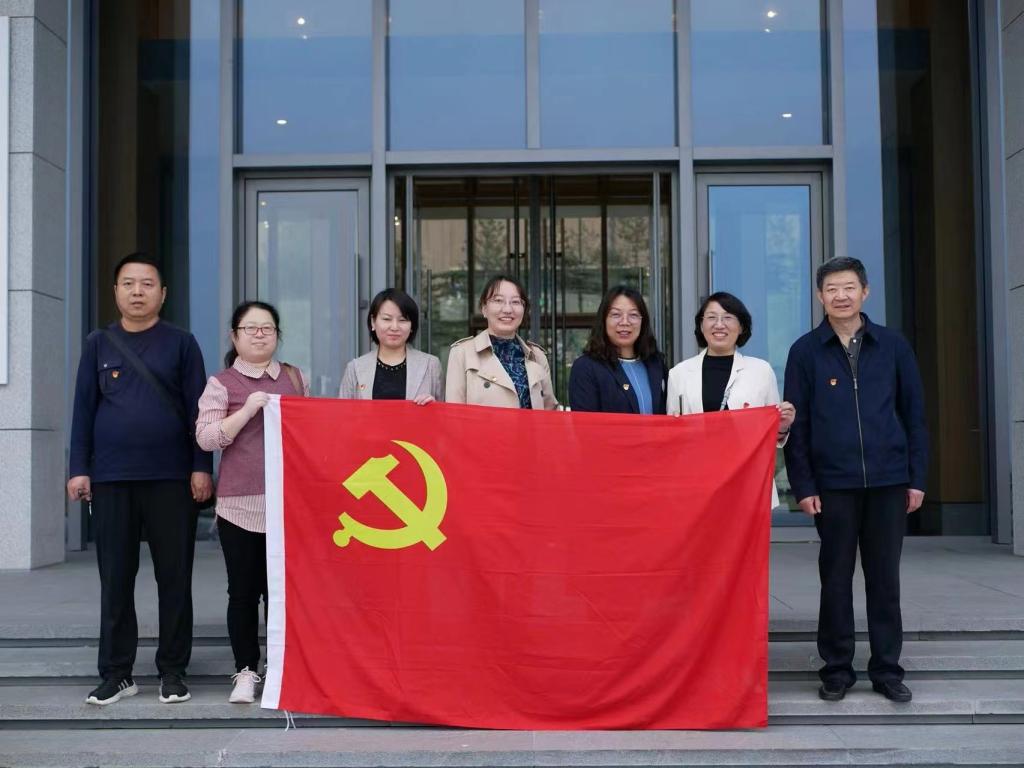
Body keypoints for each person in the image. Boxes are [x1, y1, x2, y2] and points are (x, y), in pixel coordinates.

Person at [68, 253, 213, 707]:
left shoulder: (182, 344)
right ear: (115, 292)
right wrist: (79, 468)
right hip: (111, 478)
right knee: (115, 578)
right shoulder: (98, 343)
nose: (137, 291)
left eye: (147, 284)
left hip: (171, 478)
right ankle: (117, 673)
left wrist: (201, 467)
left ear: (162, 293)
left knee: (175, 578)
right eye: (128, 283)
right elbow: (83, 410)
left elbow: (200, 410)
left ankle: (173, 671)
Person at [783, 257, 928, 704]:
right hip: (833, 485)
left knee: (885, 580)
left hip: (889, 481)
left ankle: (886, 670)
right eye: (831, 289)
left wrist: (916, 478)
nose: (841, 296)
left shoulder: (894, 346)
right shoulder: (805, 351)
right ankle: (837, 669)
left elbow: (915, 416)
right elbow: (797, 426)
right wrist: (804, 486)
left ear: (865, 291)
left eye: (849, 287)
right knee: (835, 578)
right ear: (819, 296)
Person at [195, 301, 307, 704]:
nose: (260, 334)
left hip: (288, 505)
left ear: (277, 335)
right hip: (239, 507)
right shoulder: (221, 383)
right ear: (235, 336)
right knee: (243, 592)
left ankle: (282, 667)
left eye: (267, 328)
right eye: (251, 328)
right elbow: (207, 438)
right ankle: (245, 670)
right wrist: (247, 409)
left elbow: (309, 430)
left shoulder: (294, 377)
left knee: (282, 593)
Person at [666, 292, 795, 508]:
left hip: (747, 482)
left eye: (727, 317)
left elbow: (771, 435)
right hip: (697, 484)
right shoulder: (679, 373)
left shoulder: (760, 371)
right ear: (701, 325)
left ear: (741, 326)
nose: (719, 324)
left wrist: (782, 427)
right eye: (711, 317)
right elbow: (673, 436)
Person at [446, 275, 558, 410]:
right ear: (484, 308)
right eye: (498, 300)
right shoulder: (462, 353)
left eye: (515, 302)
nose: (507, 309)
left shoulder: (537, 356)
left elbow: (550, 413)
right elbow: (454, 414)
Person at [568, 286, 667, 414]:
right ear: (604, 320)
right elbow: (585, 423)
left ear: (643, 322)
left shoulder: (655, 364)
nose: (625, 322)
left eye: (633, 315)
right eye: (616, 315)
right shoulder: (586, 367)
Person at [339, 288, 443, 403]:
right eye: (387, 319)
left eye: (402, 320)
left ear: (412, 326)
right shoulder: (354, 369)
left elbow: (445, 410)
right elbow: (342, 412)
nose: (394, 327)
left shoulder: (431, 365)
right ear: (373, 322)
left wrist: (434, 407)